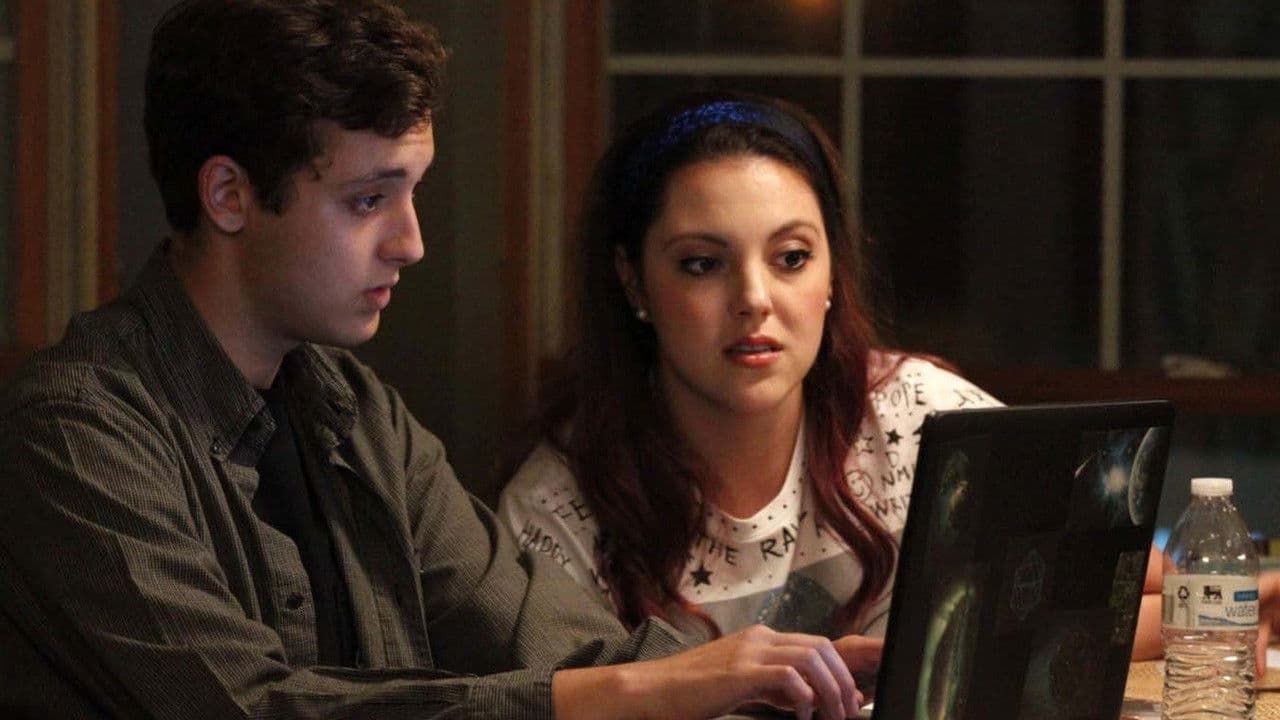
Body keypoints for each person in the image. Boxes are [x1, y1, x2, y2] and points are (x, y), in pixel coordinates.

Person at [0, 4, 866, 719]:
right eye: (368, 200)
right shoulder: (73, 433)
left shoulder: (355, 412)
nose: (410, 243)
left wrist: (786, 682)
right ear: (229, 195)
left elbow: (553, 637)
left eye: (412, 192)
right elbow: (254, 708)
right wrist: (638, 691)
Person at [498, 93, 1002, 681]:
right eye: (702, 264)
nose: (754, 299)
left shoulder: (923, 419)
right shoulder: (558, 510)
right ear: (633, 282)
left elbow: (1090, 597)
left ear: (833, 271)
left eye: (791, 257)